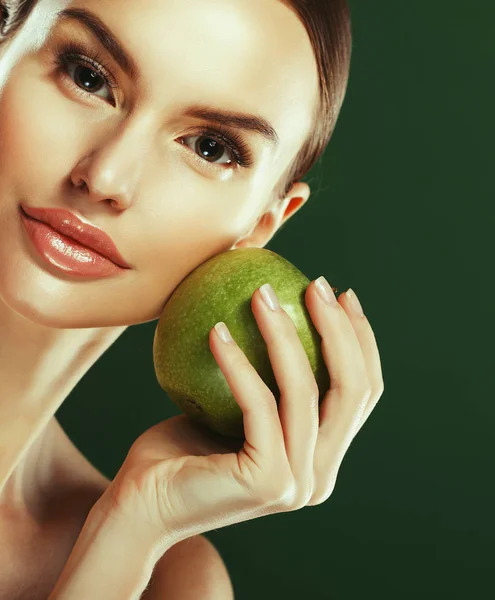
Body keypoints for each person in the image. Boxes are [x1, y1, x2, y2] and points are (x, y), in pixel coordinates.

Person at [0, 0, 384, 598]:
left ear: (260, 228)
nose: (106, 178)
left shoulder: (169, 580)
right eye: (87, 76)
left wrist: (133, 529)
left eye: (209, 147)